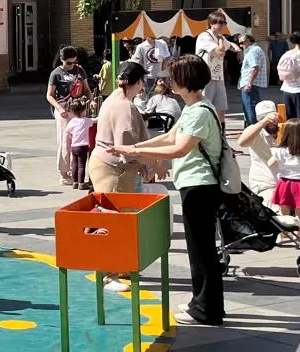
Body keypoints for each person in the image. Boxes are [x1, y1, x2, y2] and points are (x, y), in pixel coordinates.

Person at [111, 55, 226, 326]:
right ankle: (206, 305)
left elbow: (178, 148)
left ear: (186, 80)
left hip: (200, 185)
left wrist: (136, 150)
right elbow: (171, 136)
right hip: (194, 185)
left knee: (201, 250)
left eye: (174, 76)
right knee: (200, 249)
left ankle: (205, 310)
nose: (169, 81)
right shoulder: (192, 108)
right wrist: (135, 148)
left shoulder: (198, 111)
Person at [239, 101, 300, 209]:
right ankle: (289, 212)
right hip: (267, 184)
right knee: (279, 213)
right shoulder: (255, 131)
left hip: (293, 179)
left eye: (274, 117)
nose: (272, 122)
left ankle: (295, 209)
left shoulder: (288, 130)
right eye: (265, 119)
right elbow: (242, 142)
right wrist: (264, 122)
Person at [93, 63, 152, 195]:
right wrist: (146, 161)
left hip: (103, 162)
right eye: (143, 81)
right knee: (123, 212)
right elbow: (125, 143)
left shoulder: (113, 97)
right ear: (138, 82)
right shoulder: (125, 106)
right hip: (115, 168)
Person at [46, 46, 93, 186]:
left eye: (73, 62)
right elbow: (49, 95)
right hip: (64, 110)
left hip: (78, 109)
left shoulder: (80, 70)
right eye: (68, 63)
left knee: (78, 140)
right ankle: (64, 172)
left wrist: (90, 102)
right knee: (64, 140)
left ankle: (75, 171)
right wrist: (59, 108)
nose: (70, 66)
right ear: (61, 60)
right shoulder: (56, 74)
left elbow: (87, 90)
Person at [266, 118, 300, 233]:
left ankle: (283, 234)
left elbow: (270, 163)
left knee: (283, 212)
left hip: (284, 183)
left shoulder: (281, 151)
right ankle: (299, 236)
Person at [195, 10, 240, 118]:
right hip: (206, 75)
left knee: (221, 107)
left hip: (218, 76)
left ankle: (221, 131)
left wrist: (236, 48)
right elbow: (220, 52)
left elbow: (230, 46)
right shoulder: (204, 36)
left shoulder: (221, 37)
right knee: (205, 106)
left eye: (224, 23)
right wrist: (220, 40)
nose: (222, 25)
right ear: (211, 23)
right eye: (219, 23)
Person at [238, 32, 269, 125]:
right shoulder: (256, 49)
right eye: (239, 43)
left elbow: (255, 68)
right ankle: (254, 130)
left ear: (248, 41)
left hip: (249, 84)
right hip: (252, 84)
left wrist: (249, 83)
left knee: (250, 110)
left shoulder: (252, 51)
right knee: (253, 108)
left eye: (242, 42)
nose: (241, 45)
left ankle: (253, 131)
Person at [65, 98, 95, 191]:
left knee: (75, 164)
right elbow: (95, 120)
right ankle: (81, 183)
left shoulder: (72, 121)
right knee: (82, 165)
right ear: (82, 111)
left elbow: (67, 131)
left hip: (74, 146)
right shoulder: (86, 121)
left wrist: (71, 137)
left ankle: (75, 182)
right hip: (83, 146)